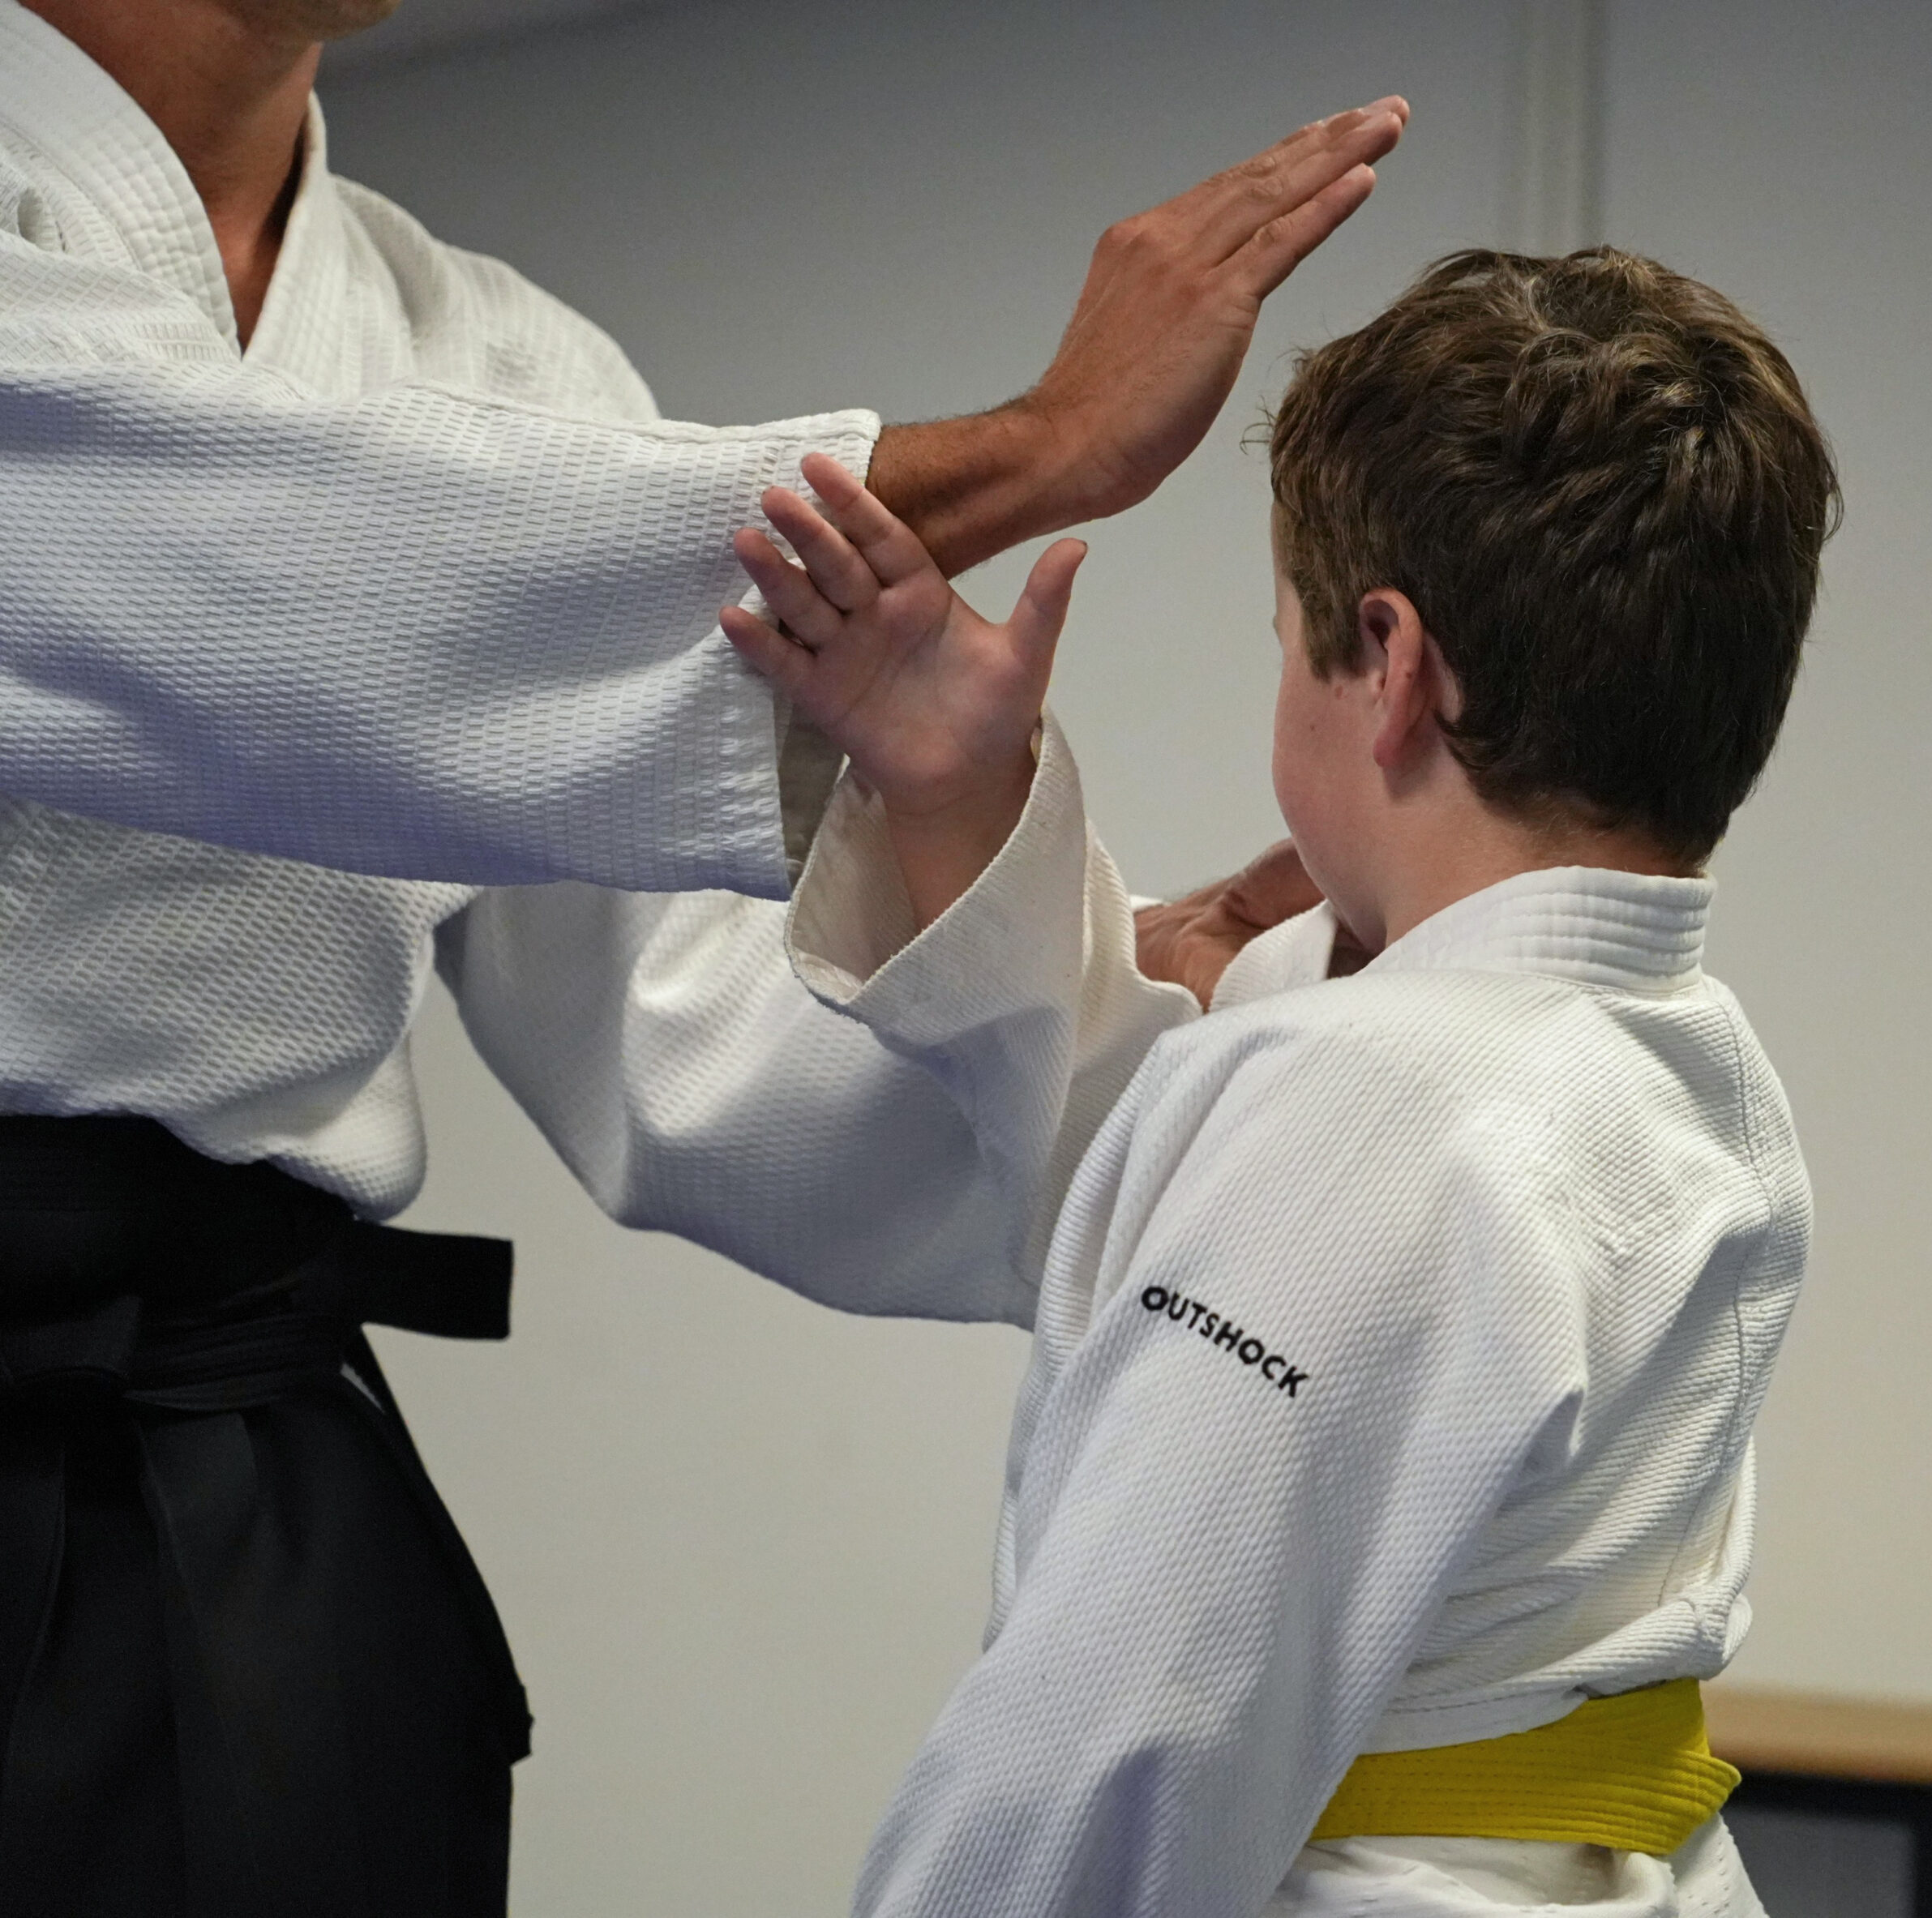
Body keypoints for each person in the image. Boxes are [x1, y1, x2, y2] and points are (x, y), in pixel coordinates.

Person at [0, 0, 1409, 1909]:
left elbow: (681, 1012)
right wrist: (1041, 445)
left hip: (248, 1482)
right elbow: (271, 562)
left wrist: (1063, 995)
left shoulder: (489, 361)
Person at [722, 243, 1840, 1917]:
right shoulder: (1688, 1071)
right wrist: (970, 806)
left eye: (1284, 642)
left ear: (1387, 661)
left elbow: (1105, 1752)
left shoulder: (1378, 1105)